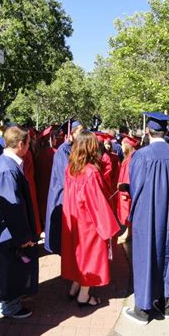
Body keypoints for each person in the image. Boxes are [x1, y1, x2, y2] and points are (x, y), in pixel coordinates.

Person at [123, 112, 169, 324]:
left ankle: (142, 309)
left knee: (146, 256)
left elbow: (136, 188)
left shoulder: (141, 156)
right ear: (166, 132)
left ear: (148, 131)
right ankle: (166, 306)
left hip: (148, 213)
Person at [0, 126, 39, 318]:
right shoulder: (8, 169)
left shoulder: (8, 163)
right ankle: (10, 306)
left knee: (12, 267)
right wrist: (23, 236)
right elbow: (12, 207)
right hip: (9, 232)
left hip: (9, 231)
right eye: (28, 143)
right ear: (21, 144)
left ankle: (11, 302)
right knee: (10, 268)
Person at [61, 131, 120, 306]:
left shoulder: (70, 168)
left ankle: (75, 285)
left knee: (77, 254)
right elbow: (97, 202)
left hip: (74, 218)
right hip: (88, 221)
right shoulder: (91, 172)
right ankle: (84, 296)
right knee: (90, 255)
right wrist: (108, 227)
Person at [45, 119, 83, 254]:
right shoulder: (63, 150)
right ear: (71, 133)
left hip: (70, 193)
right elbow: (66, 176)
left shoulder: (75, 148)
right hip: (62, 194)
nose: (82, 134)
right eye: (80, 131)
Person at [116, 135, 139, 244]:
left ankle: (129, 233)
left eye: (122, 145)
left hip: (127, 190)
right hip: (125, 189)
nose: (121, 147)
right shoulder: (129, 157)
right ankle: (128, 232)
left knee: (129, 211)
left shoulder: (131, 159)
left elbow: (128, 177)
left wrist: (123, 186)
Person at [34, 126, 58, 230]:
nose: (56, 139)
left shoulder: (38, 154)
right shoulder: (56, 153)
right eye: (54, 137)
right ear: (50, 139)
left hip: (40, 187)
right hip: (51, 186)